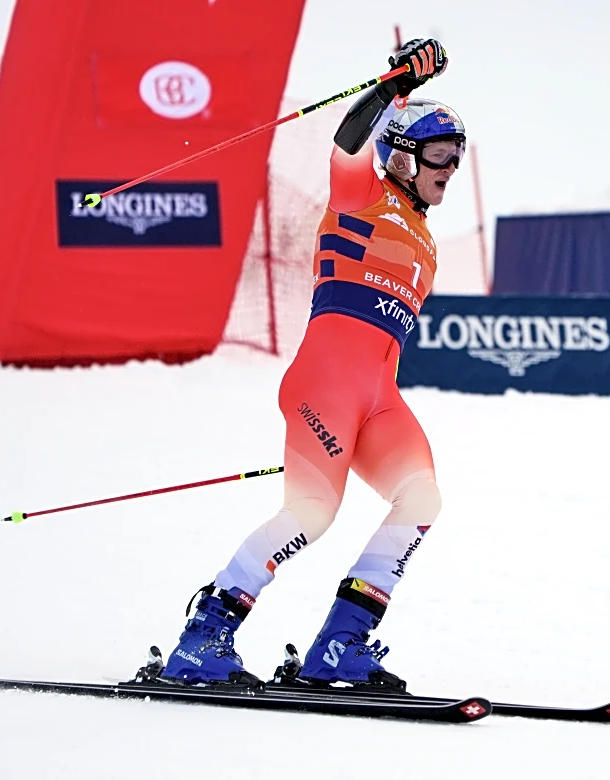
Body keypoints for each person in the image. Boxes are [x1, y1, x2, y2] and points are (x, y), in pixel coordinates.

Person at [140, 38, 465, 690]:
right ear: (401, 152)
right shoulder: (359, 194)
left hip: (379, 396)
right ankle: (203, 641)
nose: (449, 167)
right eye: (437, 154)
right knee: (313, 514)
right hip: (326, 383)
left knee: (422, 497)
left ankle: (340, 648)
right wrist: (395, 85)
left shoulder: (427, 237)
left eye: (457, 157)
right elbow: (348, 142)